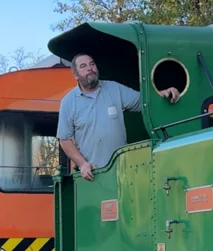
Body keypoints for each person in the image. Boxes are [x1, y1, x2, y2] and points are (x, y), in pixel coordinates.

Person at [58, 52, 179, 180]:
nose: (90, 68)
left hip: (122, 171)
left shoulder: (114, 88)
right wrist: (82, 164)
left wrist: (163, 94)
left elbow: (143, 102)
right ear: (76, 75)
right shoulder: (68, 102)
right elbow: (64, 139)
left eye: (92, 64)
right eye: (83, 66)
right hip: (93, 175)